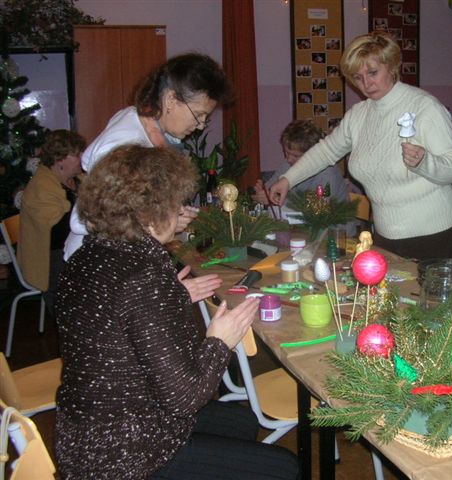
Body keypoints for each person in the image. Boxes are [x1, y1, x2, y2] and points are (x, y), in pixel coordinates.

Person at [55, 145, 299, 479]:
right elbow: (185, 398)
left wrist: (172, 298)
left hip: (87, 431)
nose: (181, 211)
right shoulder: (143, 276)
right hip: (125, 454)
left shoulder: (87, 256)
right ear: (148, 213)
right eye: (175, 203)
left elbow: (114, 324)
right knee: (285, 468)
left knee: (241, 421)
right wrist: (219, 340)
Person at [268, 32, 452, 261]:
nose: (366, 84)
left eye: (372, 73)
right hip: (384, 233)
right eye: (358, 77)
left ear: (391, 66)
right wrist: (288, 179)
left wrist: (425, 162)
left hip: (433, 233)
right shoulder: (359, 115)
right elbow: (325, 151)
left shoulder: (425, 107)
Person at [64, 52, 233, 303]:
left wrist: (166, 215)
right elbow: (82, 220)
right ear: (171, 99)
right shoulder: (125, 144)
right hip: (98, 275)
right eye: (198, 114)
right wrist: (161, 224)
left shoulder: (140, 120)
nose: (200, 125)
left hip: (114, 269)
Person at [17, 130, 86, 313]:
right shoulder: (40, 188)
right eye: (77, 154)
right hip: (49, 255)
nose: (82, 157)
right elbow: (57, 232)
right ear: (59, 158)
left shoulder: (77, 180)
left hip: (68, 248)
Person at [252, 119, 349, 208]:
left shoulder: (327, 174)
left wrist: (279, 200)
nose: (289, 159)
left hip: (332, 225)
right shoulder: (287, 165)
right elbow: (271, 187)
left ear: (312, 154)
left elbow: (318, 208)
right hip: (299, 223)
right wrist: (262, 193)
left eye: (296, 156)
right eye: (286, 152)